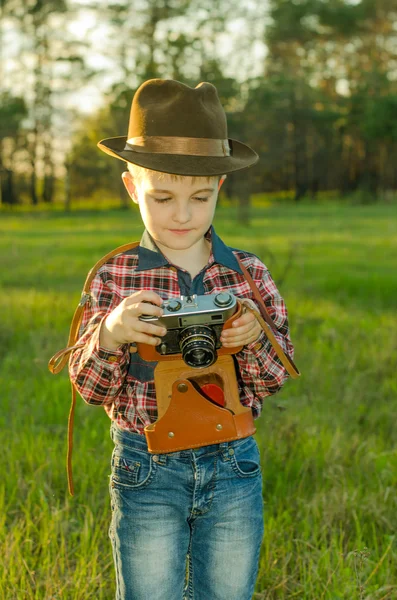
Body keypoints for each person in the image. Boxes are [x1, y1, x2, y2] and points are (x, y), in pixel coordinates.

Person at [69, 78, 295, 600]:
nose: (183, 215)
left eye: (199, 196)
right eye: (163, 197)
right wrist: (109, 335)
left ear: (220, 187)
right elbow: (90, 390)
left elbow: (276, 377)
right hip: (145, 467)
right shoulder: (113, 277)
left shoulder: (247, 274)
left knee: (229, 591)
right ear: (131, 187)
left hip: (234, 461)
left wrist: (254, 338)